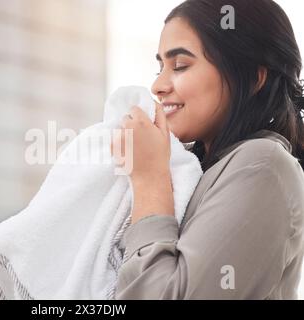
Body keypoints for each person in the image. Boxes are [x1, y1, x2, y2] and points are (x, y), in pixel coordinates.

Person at [113, 0, 304, 299]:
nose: (158, 86)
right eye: (160, 67)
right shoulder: (193, 168)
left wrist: (149, 180)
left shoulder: (263, 164)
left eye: (180, 66)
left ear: (254, 77)